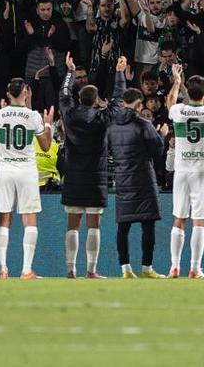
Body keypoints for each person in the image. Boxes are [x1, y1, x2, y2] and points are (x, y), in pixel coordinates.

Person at [59, 54, 127, 279]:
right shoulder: (103, 118)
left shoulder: (69, 113)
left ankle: (70, 270)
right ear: (97, 100)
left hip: (73, 176)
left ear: (79, 98)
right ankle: (91, 270)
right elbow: (119, 100)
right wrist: (120, 73)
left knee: (72, 224)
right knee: (94, 224)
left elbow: (63, 93)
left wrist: (70, 72)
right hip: (96, 177)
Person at [164, 61, 204, 279]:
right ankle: (195, 268)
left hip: (181, 171)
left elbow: (170, 102)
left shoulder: (179, 111)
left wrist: (176, 82)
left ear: (188, 93)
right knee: (199, 220)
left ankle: (174, 266)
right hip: (202, 172)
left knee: (179, 218)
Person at [0, 78, 54, 279]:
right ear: (26, 93)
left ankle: (3, 269)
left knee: (4, 217)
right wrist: (48, 125)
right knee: (29, 219)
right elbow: (45, 146)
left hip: (5, 170)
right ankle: (26, 270)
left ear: (8, 93)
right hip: (26, 171)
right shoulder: (33, 116)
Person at [108, 82, 166, 279]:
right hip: (143, 178)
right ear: (139, 104)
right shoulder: (144, 124)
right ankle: (147, 268)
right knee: (148, 224)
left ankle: (125, 269)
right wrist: (162, 135)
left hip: (122, 179)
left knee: (123, 226)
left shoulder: (112, 126)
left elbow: (108, 149)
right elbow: (157, 151)